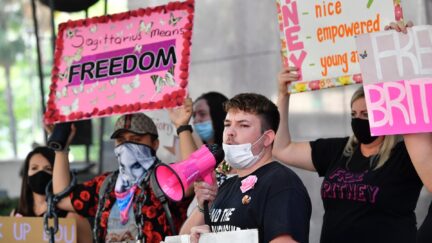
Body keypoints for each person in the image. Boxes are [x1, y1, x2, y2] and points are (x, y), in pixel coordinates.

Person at [273, 68, 430, 242]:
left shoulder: (406, 155)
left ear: (386, 115)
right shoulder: (340, 150)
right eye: (354, 114)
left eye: (366, 115)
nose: (358, 120)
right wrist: (283, 94)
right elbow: (282, 149)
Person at [180, 93, 312, 243]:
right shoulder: (225, 186)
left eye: (243, 125)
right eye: (227, 124)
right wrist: (203, 205)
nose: (230, 132)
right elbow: (183, 239)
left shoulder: (281, 182)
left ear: (267, 138)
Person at [51, 113, 192, 242]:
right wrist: (61, 150)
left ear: (155, 144)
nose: (127, 146)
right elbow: (62, 197)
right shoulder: (106, 184)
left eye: (135, 139)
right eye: (121, 141)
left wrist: (182, 127)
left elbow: (192, 180)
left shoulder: (164, 177)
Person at [11, 146, 92, 243]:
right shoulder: (16, 215)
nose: (40, 172)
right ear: (27, 176)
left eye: (48, 168)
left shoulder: (73, 217)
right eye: (34, 168)